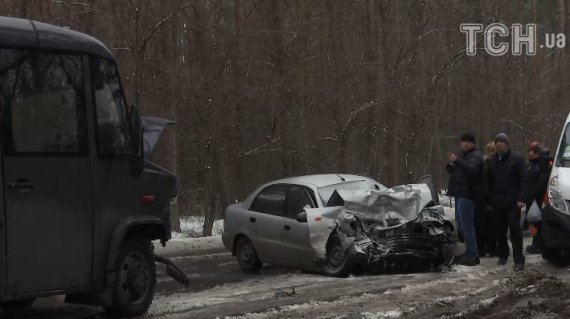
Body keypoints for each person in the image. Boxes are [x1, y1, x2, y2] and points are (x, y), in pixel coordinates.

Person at [488, 133, 528, 271]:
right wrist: (489, 200)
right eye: (497, 141)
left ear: (507, 143)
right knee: (499, 231)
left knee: (514, 229)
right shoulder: (492, 161)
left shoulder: (516, 159)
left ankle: (518, 260)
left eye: (501, 141)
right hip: (497, 202)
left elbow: (524, 180)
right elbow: (489, 182)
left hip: (513, 202)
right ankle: (503, 255)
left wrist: (522, 198)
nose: (499, 144)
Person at [446, 132, 483, 266]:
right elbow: (461, 172)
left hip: (468, 195)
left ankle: (473, 255)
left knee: (467, 227)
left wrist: (457, 161)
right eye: (463, 141)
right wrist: (451, 169)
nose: (465, 144)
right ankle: (469, 252)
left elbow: (472, 170)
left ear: (473, 143)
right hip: (460, 194)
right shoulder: (463, 155)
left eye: (468, 141)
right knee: (462, 226)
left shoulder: (476, 156)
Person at [525, 141, 550, 254]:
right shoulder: (530, 165)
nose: (530, 153)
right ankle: (535, 243)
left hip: (538, 198)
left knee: (538, 221)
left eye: (533, 151)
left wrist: (535, 193)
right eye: (529, 150)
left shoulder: (542, 165)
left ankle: (538, 244)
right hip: (531, 198)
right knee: (533, 221)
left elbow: (543, 181)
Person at [474, 141, 498, 257]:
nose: (492, 153)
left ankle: (486, 249)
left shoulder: (485, 163)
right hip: (486, 197)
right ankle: (488, 248)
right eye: (490, 150)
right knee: (488, 225)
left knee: (486, 225)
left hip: (486, 197)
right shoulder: (487, 164)